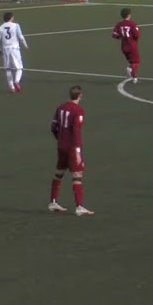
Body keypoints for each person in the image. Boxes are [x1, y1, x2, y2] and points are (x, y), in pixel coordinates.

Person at [48, 86, 94, 216]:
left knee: (59, 173)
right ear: (80, 96)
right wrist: (78, 151)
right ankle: (79, 206)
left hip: (61, 146)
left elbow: (53, 127)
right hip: (72, 147)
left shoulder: (61, 107)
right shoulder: (78, 110)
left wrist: (60, 139)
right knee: (77, 175)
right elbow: (76, 131)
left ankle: (53, 202)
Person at [0, 11, 29, 93]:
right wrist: (25, 45)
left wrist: (0, 50)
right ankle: (17, 81)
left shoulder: (0, 28)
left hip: (6, 49)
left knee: (8, 69)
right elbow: (20, 37)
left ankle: (11, 87)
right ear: (11, 18)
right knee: (19, 68)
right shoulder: (16, 25)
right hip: (14, 49)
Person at [111, 8, 141, 83]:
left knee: (132, 61)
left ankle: (131, 71)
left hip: (124, 47)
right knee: (136, 62)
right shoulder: (132, 24)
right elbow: (137, 35)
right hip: (132, 46)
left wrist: (120, 36)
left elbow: (114, 34)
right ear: (129, 15)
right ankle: (133, 75)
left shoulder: (119, 24)